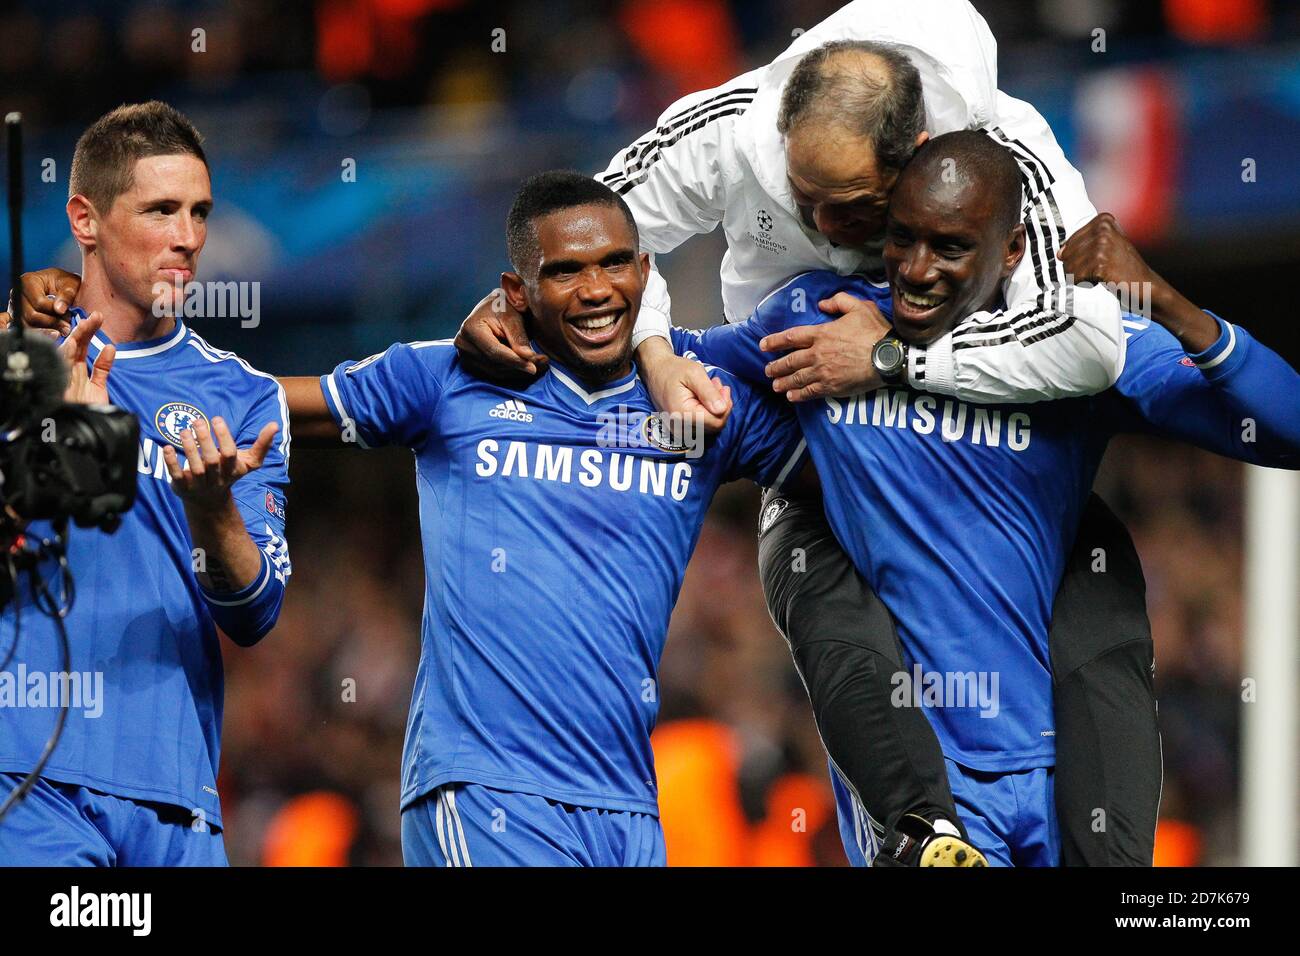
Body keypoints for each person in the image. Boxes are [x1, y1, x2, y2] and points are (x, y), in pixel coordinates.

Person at [451, 1, 1153, 865]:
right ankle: (922, 835)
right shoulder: (729, 126)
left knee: (1096, 609)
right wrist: (656, 348)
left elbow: (1088, 336)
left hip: (996, 463)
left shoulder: (1008, 152)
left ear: (920, 158)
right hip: (818, 451)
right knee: (817, 587)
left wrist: (893, 359)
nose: (825, 230)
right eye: (804, 200)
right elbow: (604, 232)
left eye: (854, 209)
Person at [669, 130, 1300, 864]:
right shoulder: (822, 316)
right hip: (934, 786)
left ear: (1009, 251)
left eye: (950, 247)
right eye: (902, 239)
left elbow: (1284, 428)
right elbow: (663, 371)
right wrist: (646, 360)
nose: (915, 270)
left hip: (1062, 771)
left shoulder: (1076, 351)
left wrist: (1168, 304)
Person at [283, 171, 809, 865]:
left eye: (615, 264)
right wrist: (116, 381)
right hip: (485, 792)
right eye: (564, 272)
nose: (595, 290)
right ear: (515, 291)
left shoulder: (694, 400)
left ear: (646, 274)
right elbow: (272, 404)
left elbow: (853, 469)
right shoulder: (445, 381)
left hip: (626, 807)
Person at [0, 102, 291, 866]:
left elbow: (256, 612)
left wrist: (212, 508)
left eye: (199, 212)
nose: (189, 238)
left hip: (177, 794)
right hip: (29, 779)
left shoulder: (246, 398)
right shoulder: (18, 359)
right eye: (161, 210)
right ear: (85, 221)